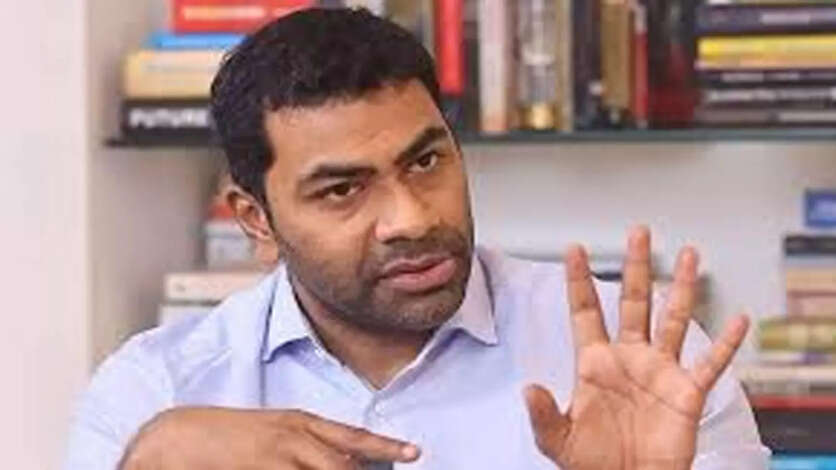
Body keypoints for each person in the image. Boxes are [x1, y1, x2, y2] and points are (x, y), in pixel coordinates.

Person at [65, 8, 769, 470]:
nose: (410, 218)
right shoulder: (157, 392)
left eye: (426, 161)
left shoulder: (638, 359)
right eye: (342, 190)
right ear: (256, 220)